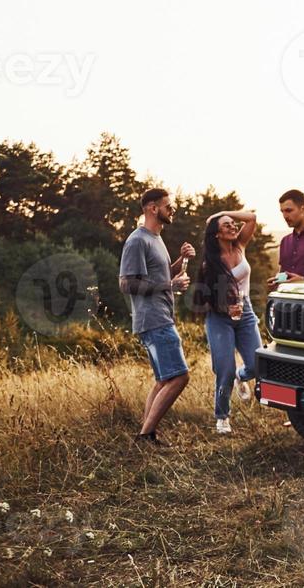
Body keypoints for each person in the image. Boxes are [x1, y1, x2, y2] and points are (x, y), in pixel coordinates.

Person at [118, 188, 194, 447]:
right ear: (152, 208)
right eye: (167, 205)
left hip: (159, 317)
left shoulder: (156, 239)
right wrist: (169, 286)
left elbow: (159, 276)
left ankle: (146, 433)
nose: (172, 209)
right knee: (180, 377)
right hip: (153, 319)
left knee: (163, 379)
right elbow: (127, 284)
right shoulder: (137, 240)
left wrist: (181, 260)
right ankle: (144, 436)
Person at [196, 209, 259, 435]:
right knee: (224, 369)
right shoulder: (209, 264)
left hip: (246, 312)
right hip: (219, 318)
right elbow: (203, 300)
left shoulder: (240, 245)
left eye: (233, 223)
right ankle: (222, 417)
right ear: (216, 235)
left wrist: (221, 213)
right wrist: (224, 307)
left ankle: (240, 377)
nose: (233, 227)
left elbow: (251, 217)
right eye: (226, 225)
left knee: (257, 364)